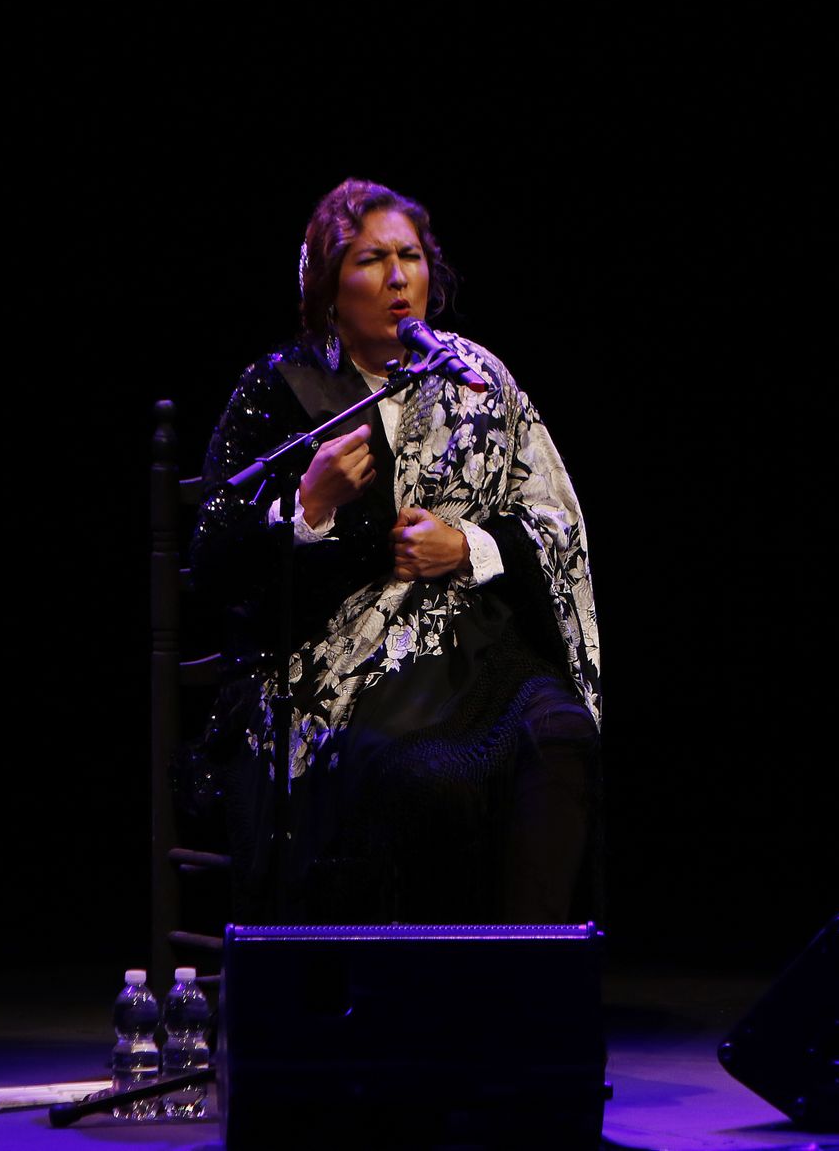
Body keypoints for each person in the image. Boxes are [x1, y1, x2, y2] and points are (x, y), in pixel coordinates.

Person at [193, 178, 601, 925]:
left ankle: (526, 981)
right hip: (332, 664)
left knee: (562, 736)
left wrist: (467, 544)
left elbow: (552, 519)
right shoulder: (286, 389)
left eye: (409, 256)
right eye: (370, 259)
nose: (397, 278)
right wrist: (310, 504)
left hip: (474, 646)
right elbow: (214, 560)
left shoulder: (478, 382)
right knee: (425, 777)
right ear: (327, 285)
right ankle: (424, 998)